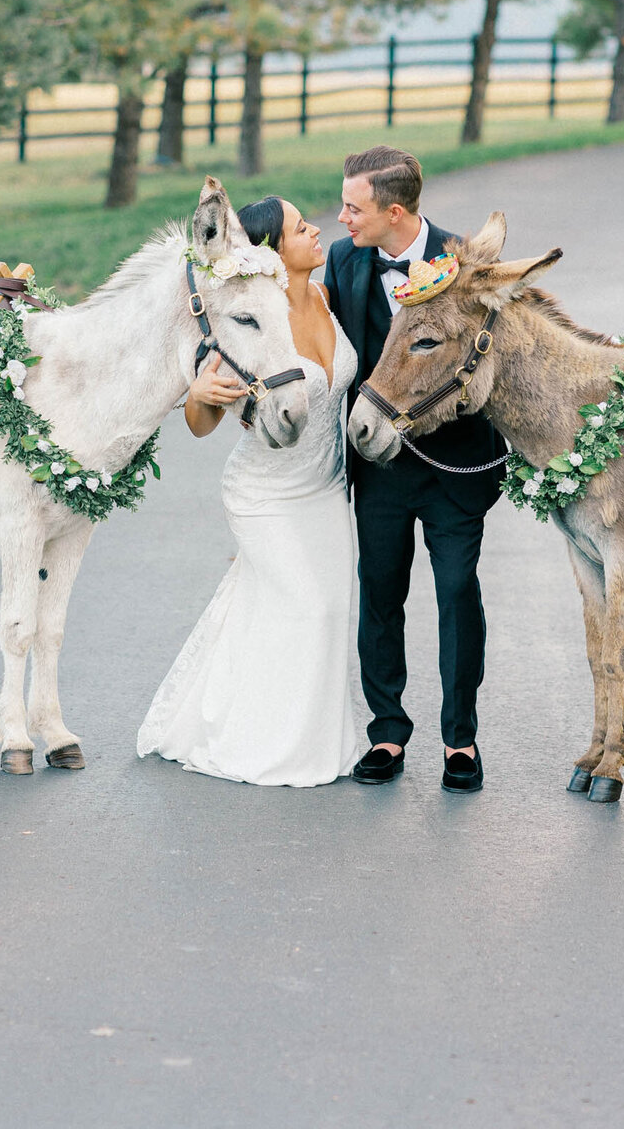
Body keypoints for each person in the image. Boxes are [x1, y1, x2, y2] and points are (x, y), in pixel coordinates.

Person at [137, 197, 360, 786]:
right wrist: (199, 397)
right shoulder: (253, 322)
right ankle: (263, 743)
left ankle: (315, 738)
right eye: (300, 226)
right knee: (310, 605)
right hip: (265, 491)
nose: (317, 229)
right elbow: (200, 421)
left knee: (327, 610)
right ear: (270, 251)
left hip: (327, 486)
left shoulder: (325, 298)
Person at [324, 146, 506, 794]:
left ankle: (461, 738)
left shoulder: (466, 262)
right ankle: (387, 729)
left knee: (457, 592)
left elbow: (494, 359)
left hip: (455, 465)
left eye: (353, 207)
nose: (342, 217)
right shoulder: (344, 261)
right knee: (380, 592)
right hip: (380, 466)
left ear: (393, 211)